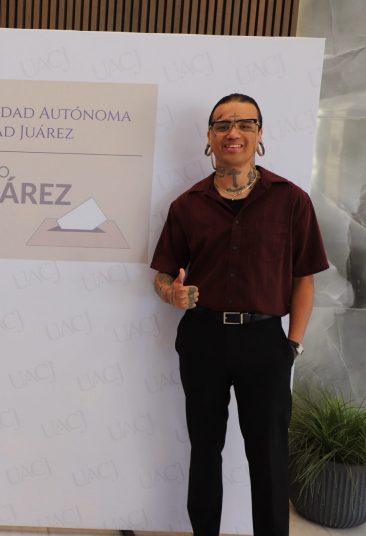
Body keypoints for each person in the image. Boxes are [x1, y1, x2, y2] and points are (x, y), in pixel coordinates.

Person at [151, 93, 328, 536]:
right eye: (223, 125)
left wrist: (293, 345)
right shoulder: (187, 205)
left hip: (266, 343)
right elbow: (162, 275)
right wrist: (172, 294)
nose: (234, 132)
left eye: (245, 124)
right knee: (205, 449)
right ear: (210, 137)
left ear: (259, 134)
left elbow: (304, 279)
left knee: (269, 455)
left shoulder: (291, 200)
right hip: (203, 340)